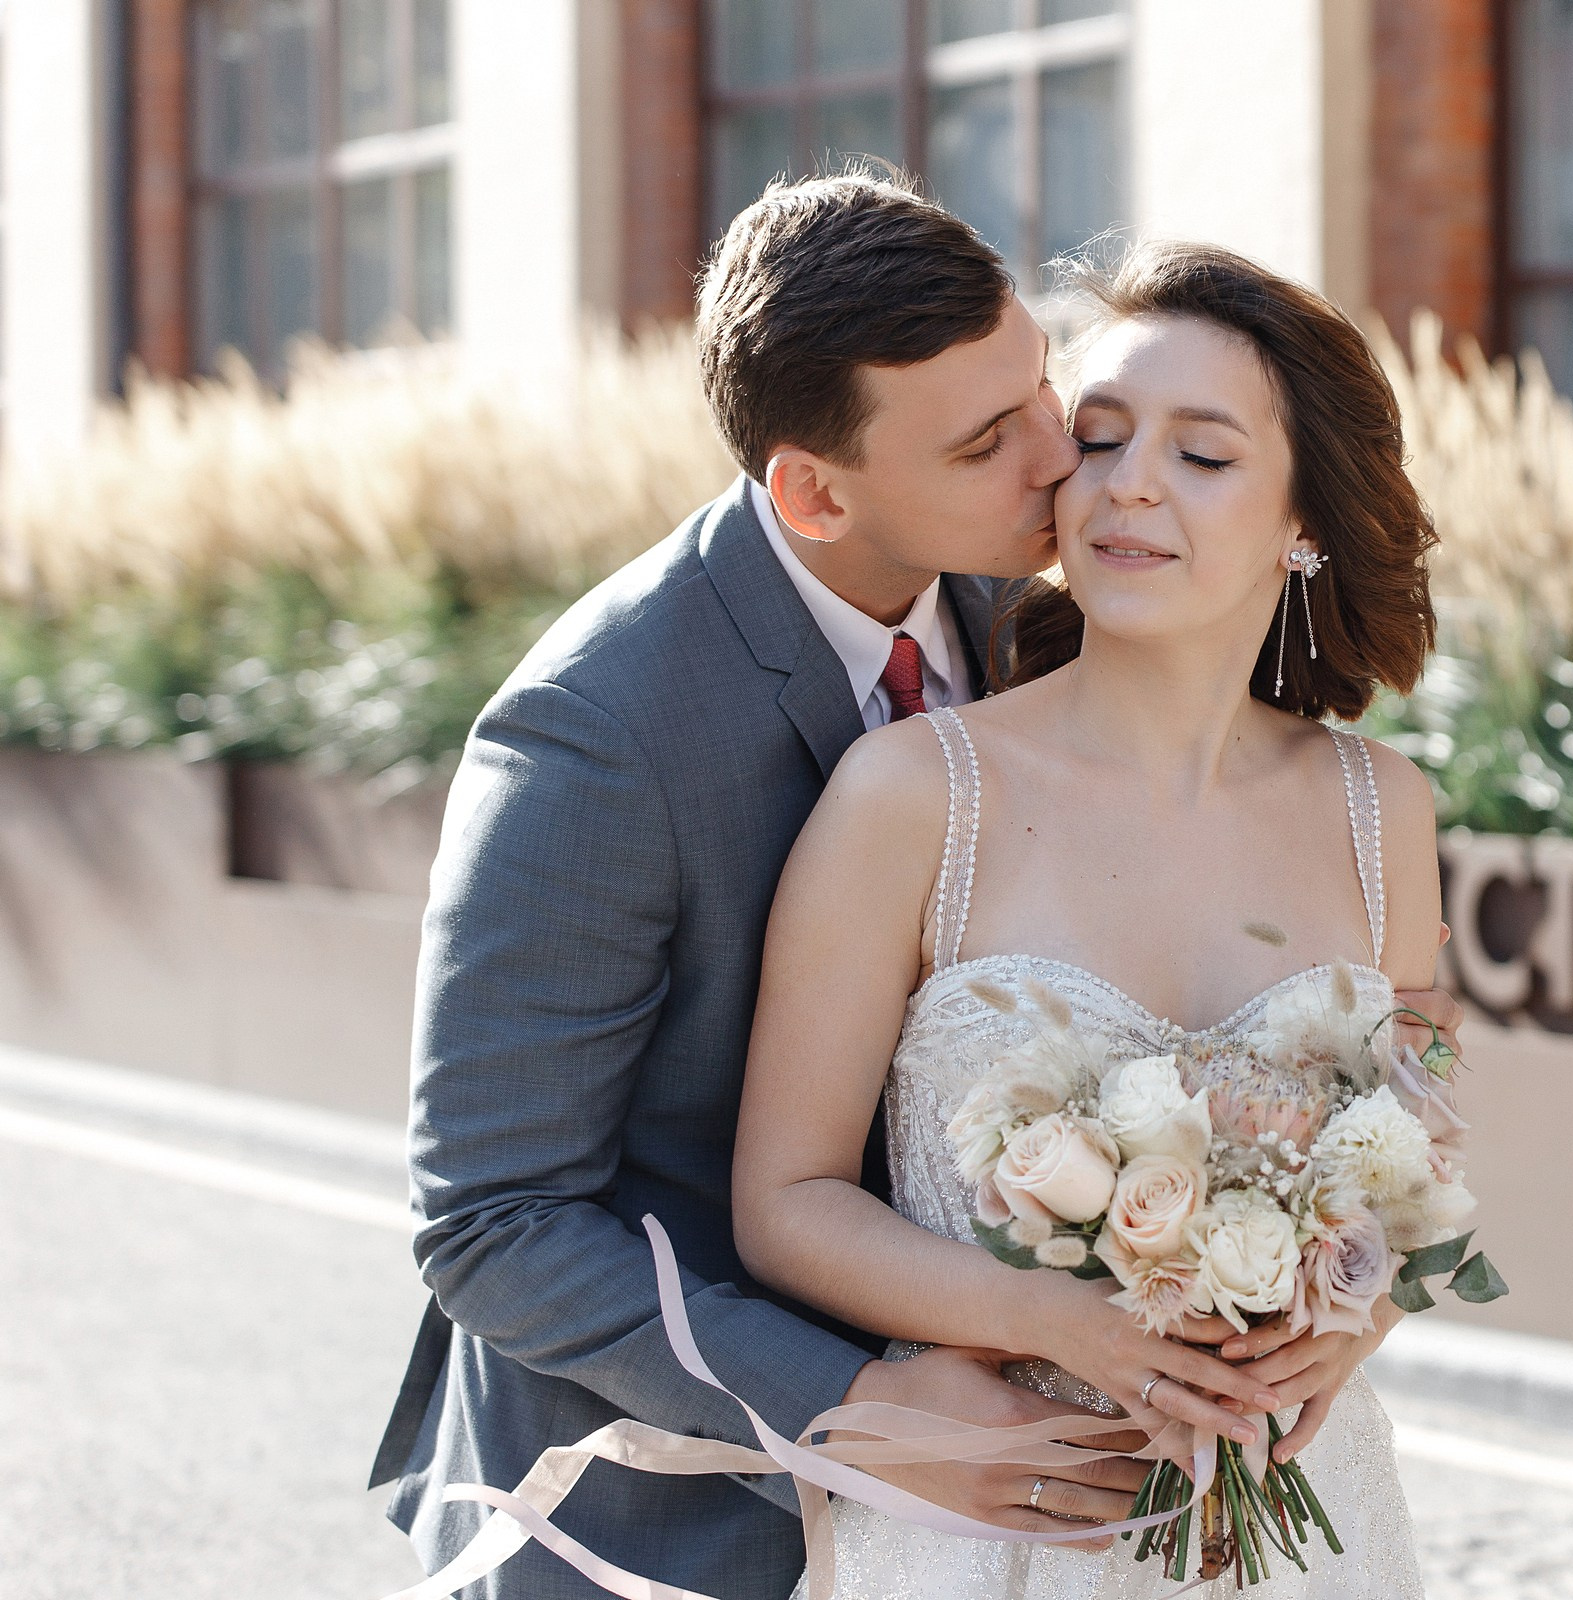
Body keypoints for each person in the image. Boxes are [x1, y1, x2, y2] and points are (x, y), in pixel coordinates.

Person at [373, 173, 1461, 1600]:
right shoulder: (602, 729)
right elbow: (490, 1219)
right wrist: (863, 1408)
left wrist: (1350, 1294)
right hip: (673, 1509)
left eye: (1047, 394)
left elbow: (1415, 1102)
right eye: (996, 441)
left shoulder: (1036, 600)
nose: (1070, 466)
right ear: (818, 493)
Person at [731, 241, 1443, 1597]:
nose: (1128, 484)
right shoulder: (913, 797)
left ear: (1304, 519)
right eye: (1101, 437)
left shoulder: (1381, 810)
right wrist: (1067, 1323)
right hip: (995, 1527)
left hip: (1304, 1525)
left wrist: (1355, 1314)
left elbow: (1414, 1150)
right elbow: (786, 1202)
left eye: (1204, 454)